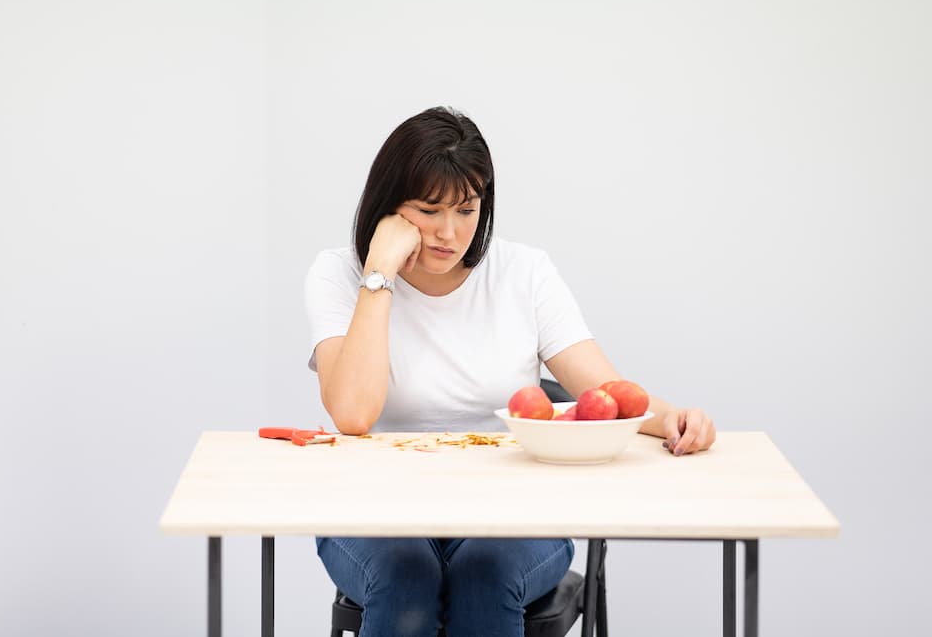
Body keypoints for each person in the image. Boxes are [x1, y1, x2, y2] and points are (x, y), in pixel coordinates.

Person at [304, 106, 716, 636]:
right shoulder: (339, 275)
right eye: (429, 210)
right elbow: (354, 414)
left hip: (513, 509)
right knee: (406, 577)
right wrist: (379, 274)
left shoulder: (524, 273)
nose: (449, 233)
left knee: (484, 575)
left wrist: (675, 418)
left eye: (467, 209)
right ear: (389, 207)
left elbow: (603, 393)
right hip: (375, 507)